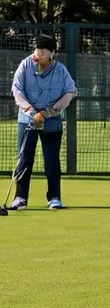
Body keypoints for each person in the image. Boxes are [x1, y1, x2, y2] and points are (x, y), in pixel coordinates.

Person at [9, 34, 77, 210]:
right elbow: (16, 89)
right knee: (24, 159)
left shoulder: (60, 70)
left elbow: (70, 92)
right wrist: (32, 112)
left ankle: (54, 198)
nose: (40, 51)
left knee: (52, 161)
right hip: (27, 120)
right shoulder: (25, 65)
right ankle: (20, 197)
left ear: (52, 52)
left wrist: (47, 113)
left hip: (52, 121)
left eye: (44, 49)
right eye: (38, 48)